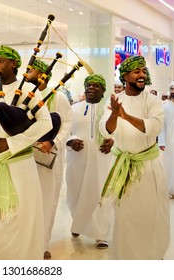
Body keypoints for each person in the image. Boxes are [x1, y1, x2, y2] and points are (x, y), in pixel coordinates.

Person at [0, 45, 52, 260]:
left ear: (14, 64)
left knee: (20, 220)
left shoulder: (28, 90)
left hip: (20, 166)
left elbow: (45, 124)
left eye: (1, 61)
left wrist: (12, 143)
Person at [99, 55, 170, 259]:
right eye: (137, 71)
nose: (142, 75)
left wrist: (125, 116)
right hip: (124, 168)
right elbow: (106, 131)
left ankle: (152, 259)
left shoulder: (153, 101)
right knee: (125, 217)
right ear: (125, 75)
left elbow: (153, 128)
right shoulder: (114, 101)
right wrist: (114, 114)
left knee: (151, 215)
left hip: (148, 167)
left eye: (143, 71)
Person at [25, 59, 72, 259]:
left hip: (49, 158)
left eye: (31, 70)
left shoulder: (58, 98)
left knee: (47, 200)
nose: (27, 73)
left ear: (42, 75)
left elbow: (67, 124)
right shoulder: (26, 96)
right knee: (28, 201)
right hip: (26, 156)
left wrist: (53, 143)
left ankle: (42, 244)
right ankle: (27, 242)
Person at [65, 74, 114, 250]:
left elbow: (118, 132)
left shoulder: (109, 110)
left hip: (102, 160)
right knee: (75, 193)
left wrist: (113, 141)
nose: (91, 88)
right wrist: (70, 141)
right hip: (77, 159)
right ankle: (79, 223)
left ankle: (101, 234)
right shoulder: (73, 109)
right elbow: (64, 131)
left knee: (101, 194)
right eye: (89, 85)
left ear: (103, 91)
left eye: (96, 86)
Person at [158, 81, 174, 199]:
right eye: (171, 89)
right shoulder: (165, 106)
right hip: (169, 142)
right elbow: (162, 126)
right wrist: (161, 141)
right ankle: (171, 190)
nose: (173, 91)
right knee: (170, 166)